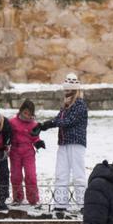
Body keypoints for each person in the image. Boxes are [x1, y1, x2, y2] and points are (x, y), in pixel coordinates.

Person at [32, 73, 88, 216]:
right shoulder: (65, 106)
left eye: (68, 89)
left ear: (74, 90)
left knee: (78, 174)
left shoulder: (80, 104)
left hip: (76, 143)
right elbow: (58, 119)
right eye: (65, 89)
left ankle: (84, 204)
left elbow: (68, 121)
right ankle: (60, 204)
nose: (65, 91)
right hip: (63, 143)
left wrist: (49, 124)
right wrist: (42, 125)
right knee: (61, 173)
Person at [9, 100, 45, 206]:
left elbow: (35, 137)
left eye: (29, 114)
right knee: (16, 176)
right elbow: (7, 135)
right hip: (15, 152)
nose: (27, 116)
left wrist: (38, 143)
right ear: (21, 111)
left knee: (30, 176)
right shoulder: (12, 122)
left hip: (28, 152)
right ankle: (17, 198)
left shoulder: (33, 125)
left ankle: (33, 199)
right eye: (25, 113)